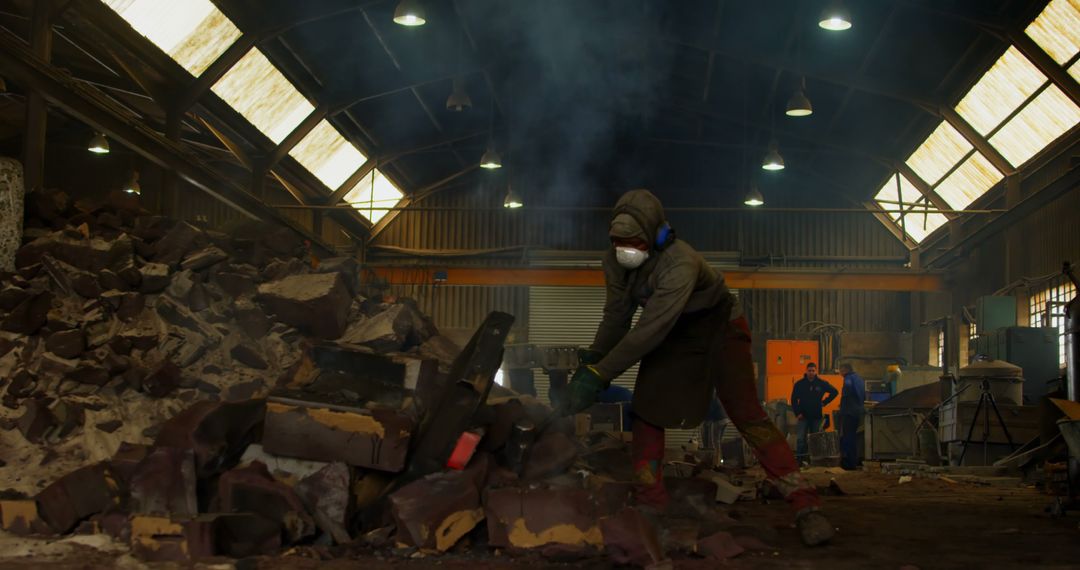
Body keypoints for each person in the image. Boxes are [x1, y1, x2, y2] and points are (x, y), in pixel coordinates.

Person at [560, 189, 834, 546]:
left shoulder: (680, 262)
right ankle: (649, 507)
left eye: (634, 241)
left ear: (657, 236)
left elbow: (649, 330)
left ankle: (805, 505)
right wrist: (594, 358)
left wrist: (601, 376)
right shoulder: (613, 263)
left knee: (747, 413)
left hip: (719, 328)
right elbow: (617, 315)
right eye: (618, 241)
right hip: (673, 330)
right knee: (646, 412)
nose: (625, 248)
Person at [790, 362, 838, 462]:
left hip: (816, 416)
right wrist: (797, 413)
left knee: (815, 439)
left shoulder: (821, 383)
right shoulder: (799, 384)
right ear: (806, 371)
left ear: (816, 371)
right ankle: (799, 461)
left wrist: (824, 402)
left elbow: (835, 392)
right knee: (800, 440)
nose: (811, 372)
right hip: (803, 416)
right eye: (809, 370)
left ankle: (814, 461)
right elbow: (793, 399)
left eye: (813, 370)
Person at [838, 363, 866, 470]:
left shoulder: (848, 378)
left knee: (848, 437)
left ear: (845, 370)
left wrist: (843, 405)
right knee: (853, 437)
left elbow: (847, 389)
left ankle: (849, 464)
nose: (840, 373)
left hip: (848, 412)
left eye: (840, 371)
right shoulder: (859, 379)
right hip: (857, 412)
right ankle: (853, 462)